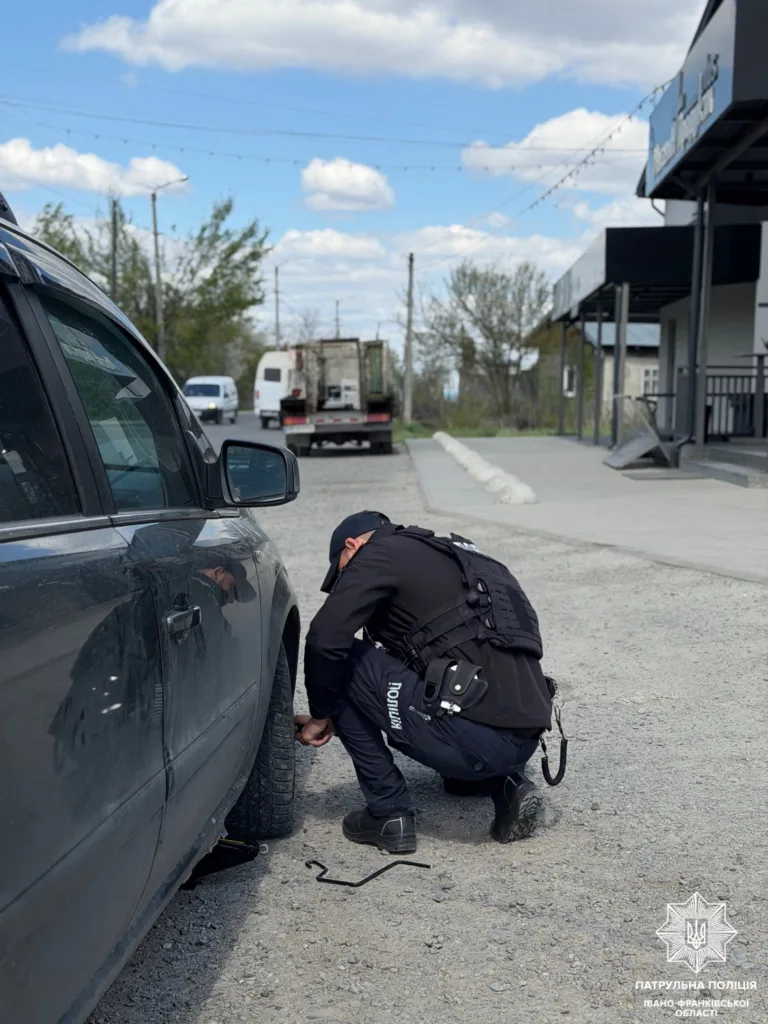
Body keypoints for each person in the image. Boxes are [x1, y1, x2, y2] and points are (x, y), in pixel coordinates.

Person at [296, 511, 558, 854]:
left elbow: (324, 638)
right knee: (419, 665)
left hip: (475, 741)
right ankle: (504, 783)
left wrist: (321, 713)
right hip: (523, 740)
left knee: (340, 658)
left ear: (352, 545)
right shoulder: (464, 556)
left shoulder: (380, 552)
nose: (344, 580)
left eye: (342, 570)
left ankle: (388, 812)